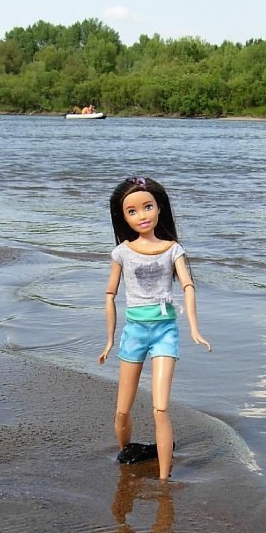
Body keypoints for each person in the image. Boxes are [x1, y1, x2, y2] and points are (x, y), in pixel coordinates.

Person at [98, 176, 211, 480]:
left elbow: (188, 286)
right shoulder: (121, 252)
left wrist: (194, 328)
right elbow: (109, 294)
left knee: (160, 408)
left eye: (147, 207)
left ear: (160, 208)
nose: (142, 215)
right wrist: (109, 339)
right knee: (122, 410)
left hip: (165, 332)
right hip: (134, 332)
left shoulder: (173, 249)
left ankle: (164, 479)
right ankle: (127, 453)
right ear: (122, 217)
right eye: (132, 211)